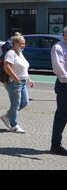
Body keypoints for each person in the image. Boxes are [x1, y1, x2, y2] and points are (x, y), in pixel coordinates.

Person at [1, 32, 34, 133]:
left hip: (22, 82)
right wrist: (15, 78)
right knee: (15, 104)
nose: (23, 45)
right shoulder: (11, 53)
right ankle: (14, 125)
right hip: (15, 83)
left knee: (24, 103)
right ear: (15, 44)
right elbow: (6, 66)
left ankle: (7, 116)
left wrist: (29, 79)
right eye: (21, 43)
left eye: (24, 43)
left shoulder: (20, 53)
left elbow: (23, 68)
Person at [50, 26, 67, 156]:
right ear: (65, 34)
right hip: (64, 85)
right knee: (62, 115)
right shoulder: (58, 47)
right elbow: (58, 68)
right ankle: (55, 145)